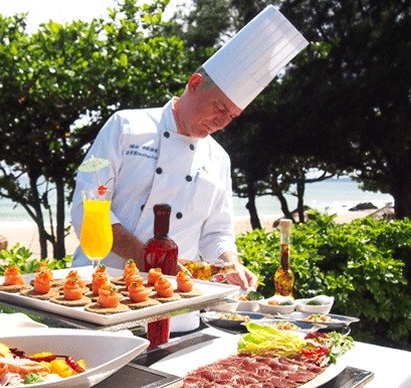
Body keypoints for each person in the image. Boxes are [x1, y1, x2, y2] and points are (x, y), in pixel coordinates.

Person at [71, 5, 308, 290]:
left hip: (174, 297)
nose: (221, 122)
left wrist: (230, 262)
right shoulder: (124, 126)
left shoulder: (219, 158)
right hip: (101, 285)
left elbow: (217, 232)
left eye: (231, 116)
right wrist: (148, 259)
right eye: (219, 107)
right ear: (194, 84)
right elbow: (87, 208)